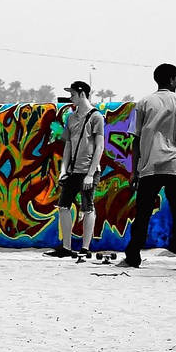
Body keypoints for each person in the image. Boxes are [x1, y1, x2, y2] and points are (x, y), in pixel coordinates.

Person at [121, 63, 176, 271]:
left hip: (149, 167)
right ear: (172, 79)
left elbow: (135, 140)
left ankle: (133, 257)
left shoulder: (144, 103)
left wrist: (134, 170)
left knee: (143, 213)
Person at [47, 81, 104, 259]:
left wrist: (90, 174)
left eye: (72, 94)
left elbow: (99, 147)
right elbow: (68, 146)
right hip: (72, 170)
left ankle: (85, 248)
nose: (70, 98)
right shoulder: (71, 118)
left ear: (82, 94)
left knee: (88, 207)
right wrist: (64, 170)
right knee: (63, 206)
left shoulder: (96, 117)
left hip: (88, 170)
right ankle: (66, 247)